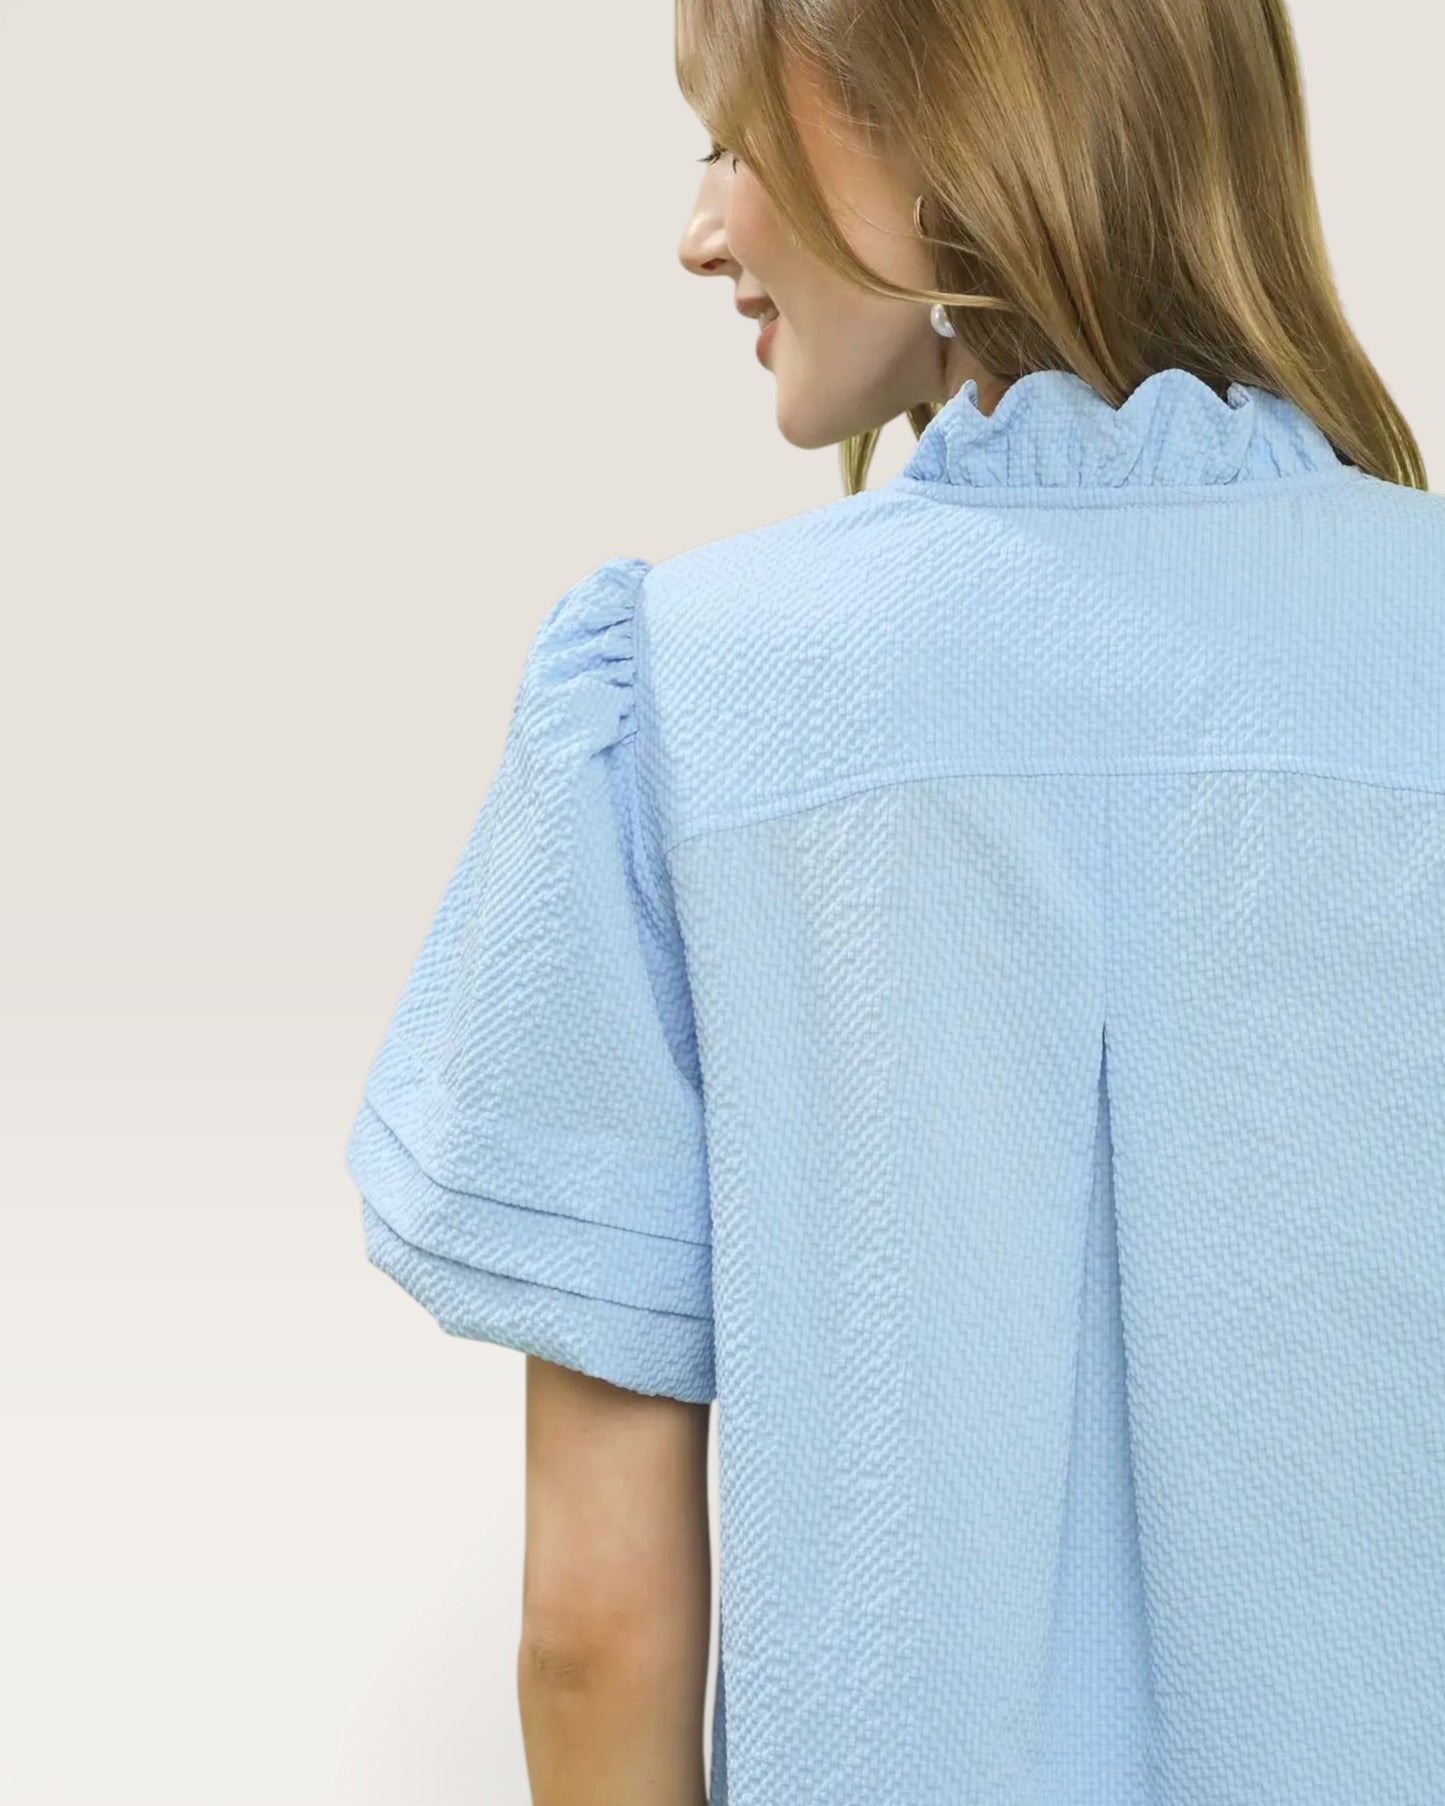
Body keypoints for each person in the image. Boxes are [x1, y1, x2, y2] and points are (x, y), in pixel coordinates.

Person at [343, 0, 1445, 1800]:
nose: (700, 229)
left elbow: (592, 1633)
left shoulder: (678, 703)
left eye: (727, 140)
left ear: (931, 136)